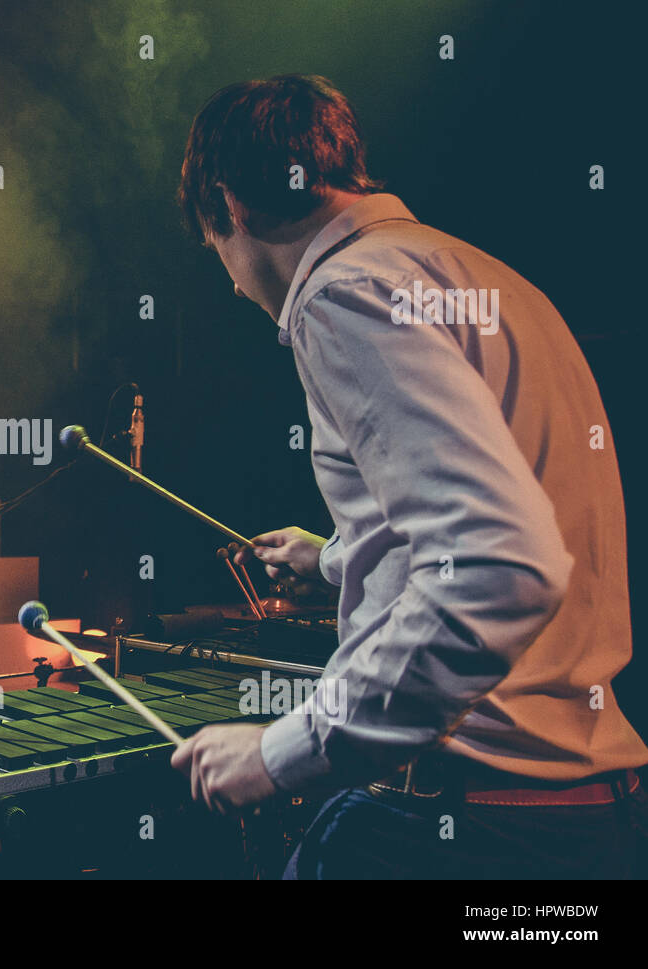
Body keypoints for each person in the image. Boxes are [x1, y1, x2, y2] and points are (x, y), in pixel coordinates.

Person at [170, 74, 647, 877]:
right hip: (586, 819)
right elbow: (525, 514)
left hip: (453, 826)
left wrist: (279, 750)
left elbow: (503, 562)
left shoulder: (341, 293)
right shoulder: (485, 278)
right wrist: (334, 557)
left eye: (214, 244)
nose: (227, 274)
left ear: (234, 206)